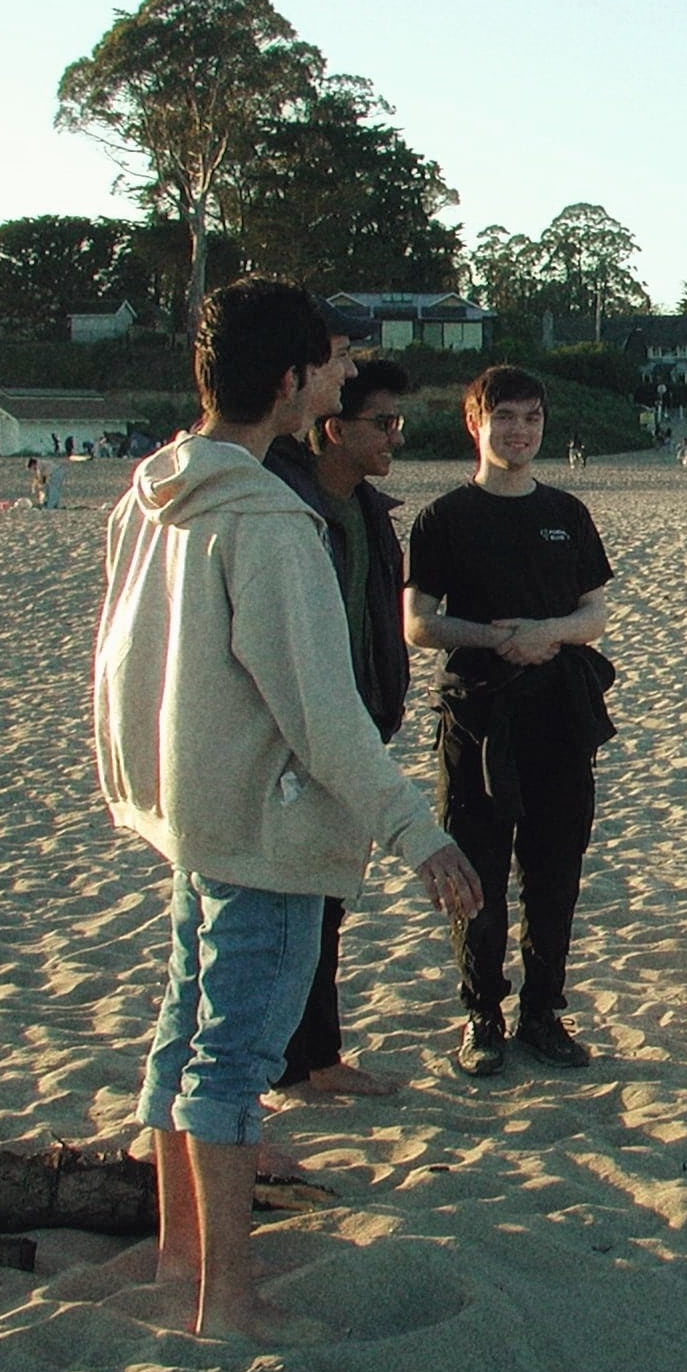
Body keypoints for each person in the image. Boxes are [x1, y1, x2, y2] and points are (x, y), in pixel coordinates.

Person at [93, 276, 480, 1339]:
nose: (346, 373)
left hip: (194, 814)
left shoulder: (156, 492)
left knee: (183, 1040)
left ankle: (181, 1271)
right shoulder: (265, 519)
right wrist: (418, 834)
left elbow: (116, 666)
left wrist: (142, 791)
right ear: (288, 379)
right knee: (226, 1066)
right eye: (331, 360)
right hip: (256, 831)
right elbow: (320, 710)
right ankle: (226, 1301)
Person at [405, 366, 617, 1078]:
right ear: (476, 424)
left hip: (561, 715)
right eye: (505, 418)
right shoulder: (444, 519)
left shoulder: (568, 512)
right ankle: (482, 1015)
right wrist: (497, 638)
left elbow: (596, 613)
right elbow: (418, 624)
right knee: (479, 875)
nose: (520, 431)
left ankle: (543, 1012)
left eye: (531, 418)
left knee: (555, 873)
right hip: (478, 719)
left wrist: (549, 631)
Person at [264, 356, 414, 1098]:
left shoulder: (366, 511)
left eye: (398, 422)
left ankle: (314, 1056)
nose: (395, 437)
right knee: (294, 908)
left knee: (328, 900)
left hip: (357, 725)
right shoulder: (286, 512)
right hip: (295, 738)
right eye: (382, 423)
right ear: (332, 430)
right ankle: (301, 1061)